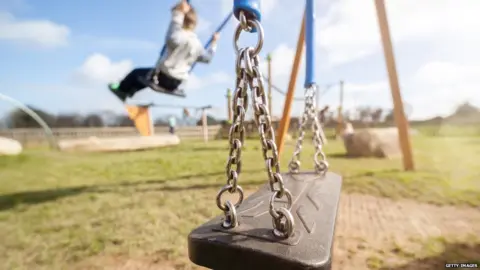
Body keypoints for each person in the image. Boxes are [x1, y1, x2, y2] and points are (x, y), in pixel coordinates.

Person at [108, 0, 220, 102]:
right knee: (144, 78)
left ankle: (122, 91)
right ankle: (130, 91)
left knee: (136, 73)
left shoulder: (178, 36)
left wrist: (178, 13)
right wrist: (214, 43)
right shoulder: (197, 44)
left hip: (163, 77)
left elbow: (173, 34)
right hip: (177, 83)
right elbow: (207, 58)